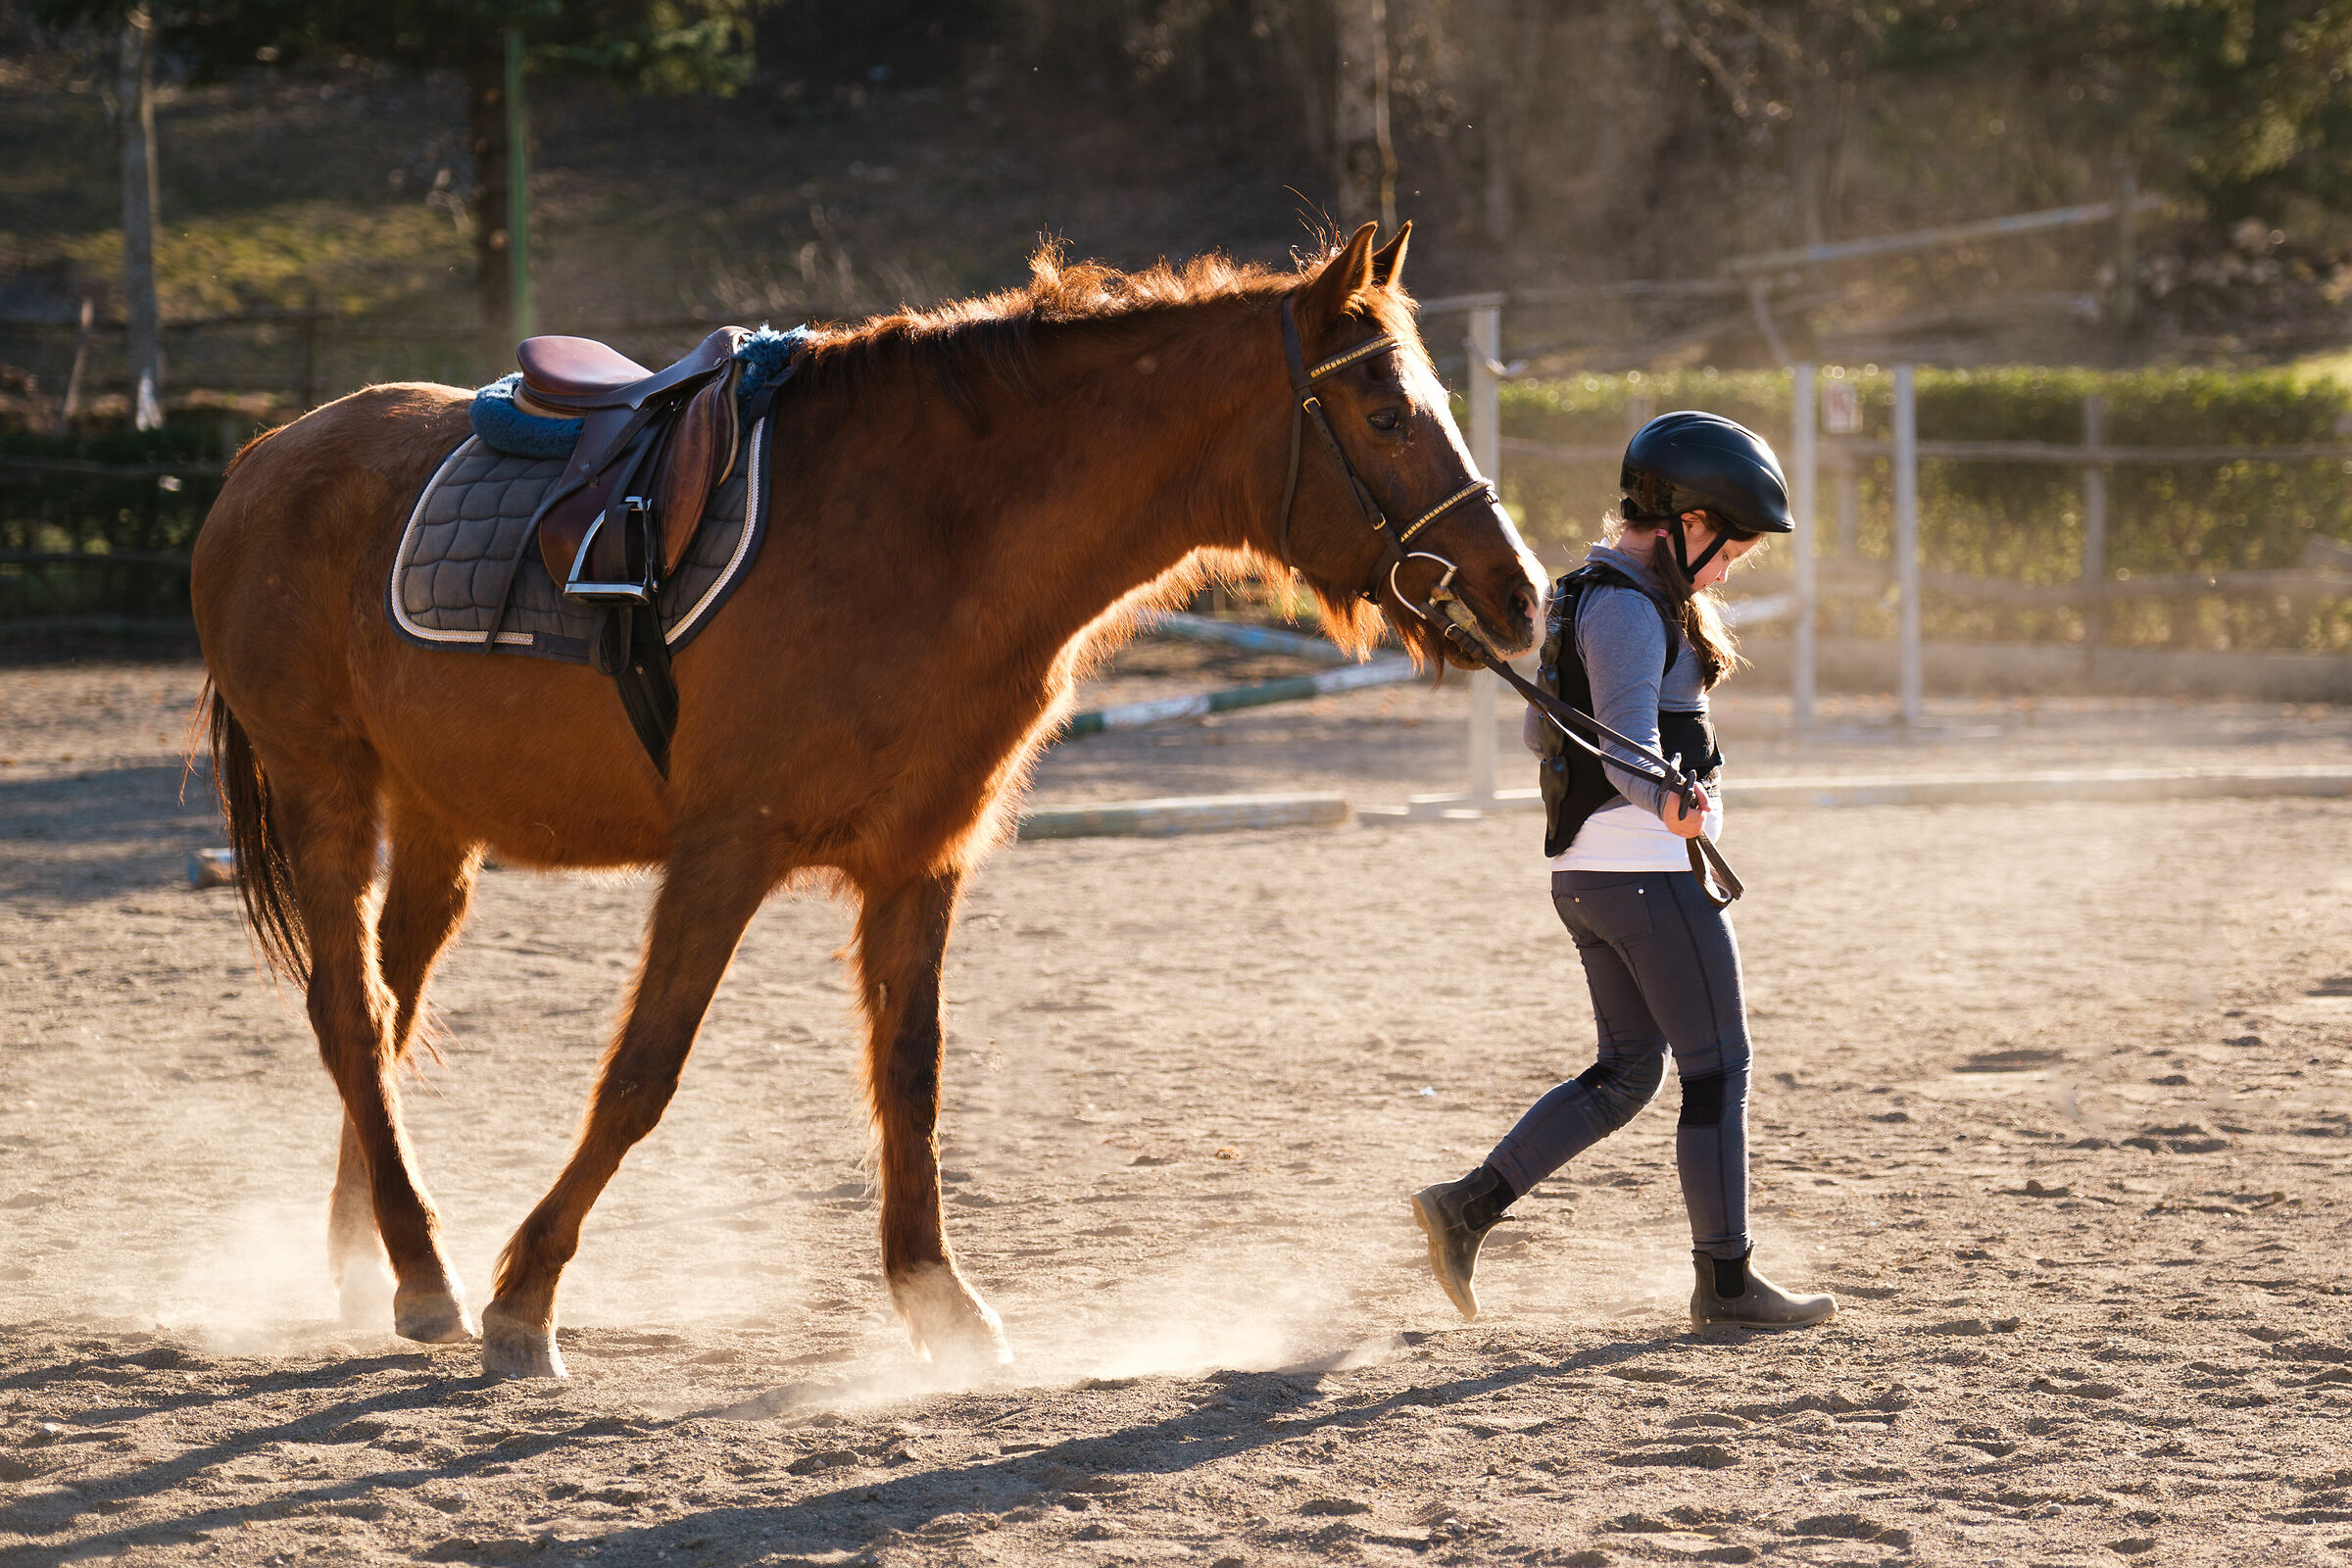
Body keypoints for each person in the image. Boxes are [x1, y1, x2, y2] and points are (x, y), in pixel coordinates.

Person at [1409, 411, 1837, 1333]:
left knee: (1627, 1073)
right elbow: (1629, 745)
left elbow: (1542, 731)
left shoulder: (1584, 595)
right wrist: (1667, 803)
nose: (1728, 569)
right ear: (1683, 520)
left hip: (1589, 878)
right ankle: (1727, 1285)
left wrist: (1648, 788)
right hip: (1648, 876)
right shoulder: (1630, 606)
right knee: (1719, 1068)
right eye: (1727, 548)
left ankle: (1465, 1209)